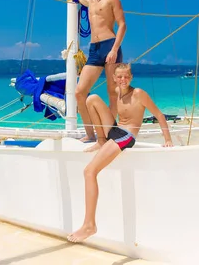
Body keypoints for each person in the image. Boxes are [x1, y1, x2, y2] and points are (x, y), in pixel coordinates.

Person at [67, 63, 174, 243]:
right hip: (115, 130)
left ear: (130, 77)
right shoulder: (117, 91)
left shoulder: (138, 93)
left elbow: (159, 115)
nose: (123, 80)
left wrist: (168, 139)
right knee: (91, 99)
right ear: (115, 79)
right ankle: (100, 141)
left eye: (126, 76)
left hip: (126, 136)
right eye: (119, 77)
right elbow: (115, 116)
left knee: (89, 171)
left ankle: (89, 225)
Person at [70, 0, 127, 146]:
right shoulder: (90, 1)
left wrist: (114, 49)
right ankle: (91, 134)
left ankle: (111, 133)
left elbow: (122, 25)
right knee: (79, 92)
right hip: (94, 50)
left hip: (110, 46)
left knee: (112, 92)